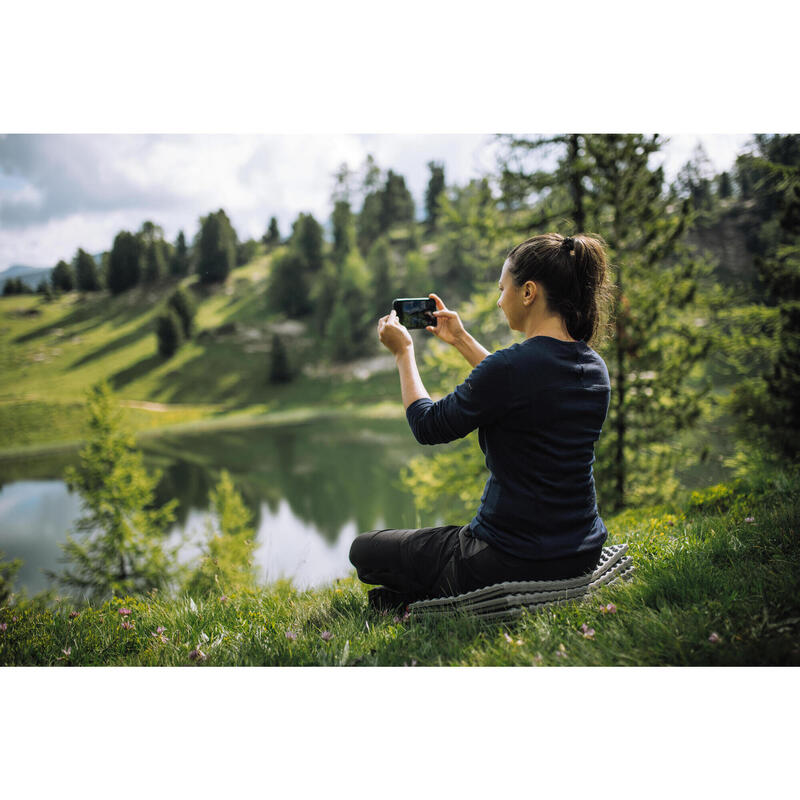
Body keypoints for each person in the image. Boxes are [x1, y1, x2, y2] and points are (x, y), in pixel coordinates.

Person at [349, 232, 615, 611]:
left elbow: (428, 425)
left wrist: (403, 352)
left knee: (364, 550)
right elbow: (523, 389)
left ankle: (426, 597)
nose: (498, 299)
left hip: (508, 558)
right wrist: (460, 339)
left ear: (529, 293)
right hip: (580, 553)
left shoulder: (511, 368)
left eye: (502, 287)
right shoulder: (593, 366)